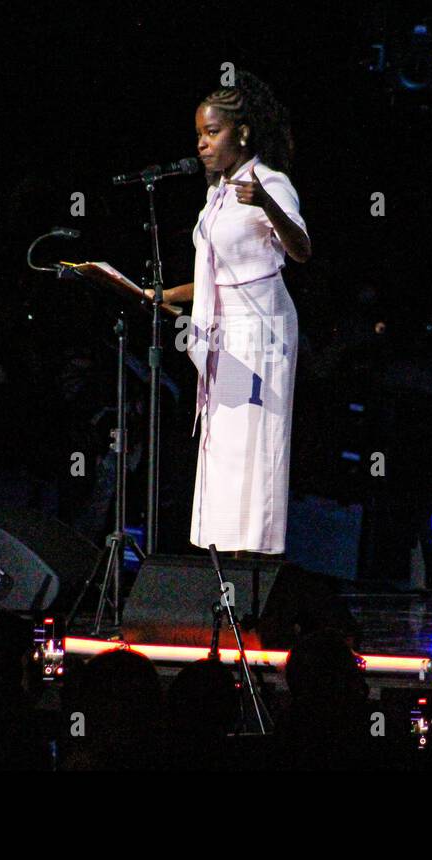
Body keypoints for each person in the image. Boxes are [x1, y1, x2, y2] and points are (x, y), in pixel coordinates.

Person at [153, 72, 311, 556]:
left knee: (252, 446)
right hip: (226, 327)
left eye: (212, 132)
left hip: (260, 328)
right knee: (223, 446)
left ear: (242, 132)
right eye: (199, 134)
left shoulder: (270, 182)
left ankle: (251, 566)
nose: (202, 144)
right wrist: (162, 294)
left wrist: (267, 204)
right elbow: (218, 275)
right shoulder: (217, 193)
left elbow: (301, 249)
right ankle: (221, 561)